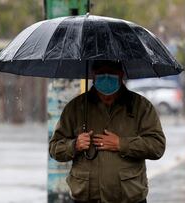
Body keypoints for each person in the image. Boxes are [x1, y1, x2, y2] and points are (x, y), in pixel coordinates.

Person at [49, 60, 166, 203]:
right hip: (86, 197)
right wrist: (74, 145)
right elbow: (54, 148)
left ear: (121, 75)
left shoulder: (141, 106)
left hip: (129, 197)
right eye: (101, 74)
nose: (106, 79)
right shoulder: (76, 108)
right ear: (93, 76)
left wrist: (122, 144)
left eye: (111, 74)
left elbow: (157, 146)